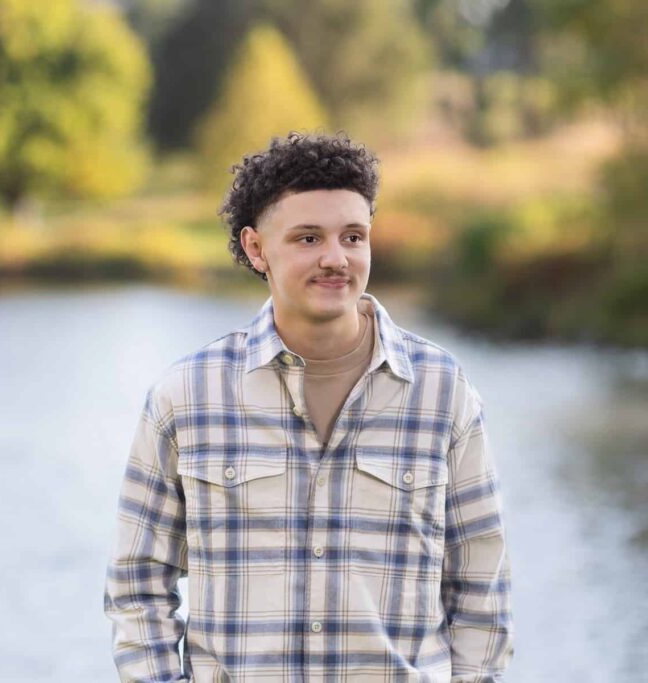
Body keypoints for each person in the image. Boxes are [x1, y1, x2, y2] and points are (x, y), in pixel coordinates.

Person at [103, 131, 514, 681]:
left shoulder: (443, 391)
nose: (335, 259)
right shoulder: (187, 396)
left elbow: (481, 586)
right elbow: (138, 586)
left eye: (353, 236)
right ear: (256, 249)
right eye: (307, 238)